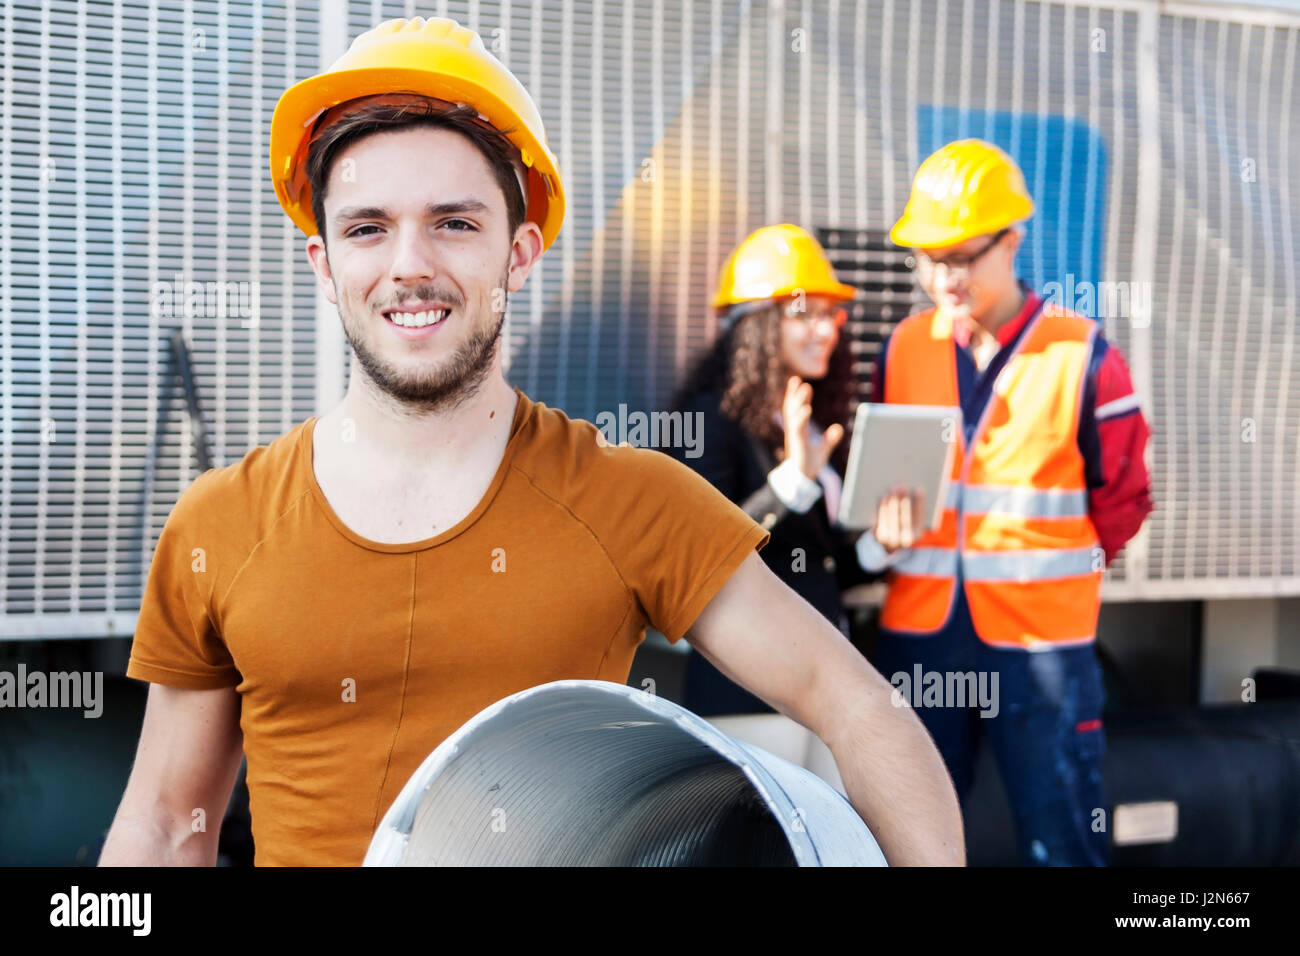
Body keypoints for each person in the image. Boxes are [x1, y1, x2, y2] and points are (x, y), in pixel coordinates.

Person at [100, 16, 962, 867]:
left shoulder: (630, 500)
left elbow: (856, 706)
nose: (409, 264)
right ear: (325, 263)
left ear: (519, 252)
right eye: (368, 227)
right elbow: (171, 822)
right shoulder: (220, 524)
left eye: (454, 223)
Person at [863, 139, 1154, 866]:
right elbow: (879, 484)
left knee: (1061, 842)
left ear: (1012, 241)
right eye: (929, 258)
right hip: (922, 636)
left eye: (962, 256)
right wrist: (885, 531)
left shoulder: (1085, 356)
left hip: (1042, 649)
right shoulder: (903, 348)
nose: (943, 276)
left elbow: (1123, 500)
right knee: (907, 843)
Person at [668, 224, 879, 718]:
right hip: (749, 692)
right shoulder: (706, 420)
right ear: (756, 324)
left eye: (831, 315)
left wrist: (877, 545)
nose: (827, 330)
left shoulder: (809, 423)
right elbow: (701, 554)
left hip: (825, 689)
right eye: (808, 314)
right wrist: (792, 483)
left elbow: (818, 565)